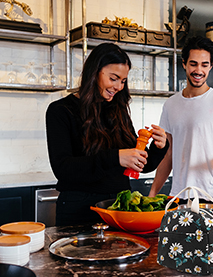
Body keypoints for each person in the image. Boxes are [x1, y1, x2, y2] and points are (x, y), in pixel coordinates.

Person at [46, 43, 169, 226]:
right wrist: (116, 158)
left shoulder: (118, 110)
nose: (119, 86)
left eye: (123, 81)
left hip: (119, 209)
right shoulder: (61, 111)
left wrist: (159, 147)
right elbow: (63, 170)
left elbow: (141, 166)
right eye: (114, 78)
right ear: (94, 72)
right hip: (78, 212)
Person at [149, 35, 213, 202]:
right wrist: (152, 194)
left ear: (211, 67)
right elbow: (168, 155)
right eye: (193, 64)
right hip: (179, 196)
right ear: (184, 64)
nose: (198, 71)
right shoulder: (170, 105)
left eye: (204, 65)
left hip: (212, 197)